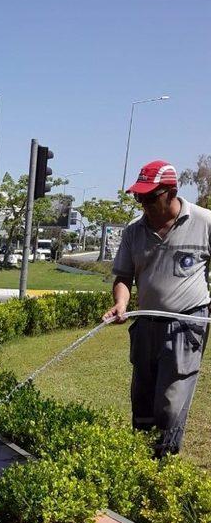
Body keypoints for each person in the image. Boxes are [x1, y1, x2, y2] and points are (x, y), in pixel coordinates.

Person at [104, 159, 211, 457]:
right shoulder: (133, 231)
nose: (144, 204)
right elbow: (123, 276)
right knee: (142, 402)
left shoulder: (204, 222)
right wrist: (121, 303)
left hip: (186, 325)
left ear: (171, 191)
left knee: (169, 403)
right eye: (139, 197)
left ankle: (162, 466)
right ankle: (141, 460)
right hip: (146, 324)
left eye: (150, 197)